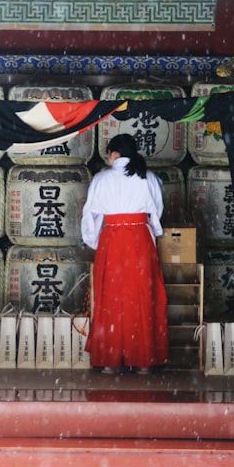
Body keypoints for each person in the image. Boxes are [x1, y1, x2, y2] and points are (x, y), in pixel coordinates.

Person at [80, 133, 168, 373]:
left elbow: (91, 215)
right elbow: (156, 212)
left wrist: (94, 239)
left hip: (113, 240)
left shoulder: (101, 179)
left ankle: (110, 361)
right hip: (139, 239)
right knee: (143, 297)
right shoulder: (148, 177)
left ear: (114, 154)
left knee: (110, 298)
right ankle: (143, 360)